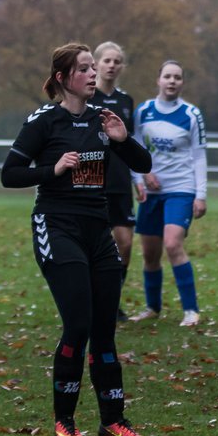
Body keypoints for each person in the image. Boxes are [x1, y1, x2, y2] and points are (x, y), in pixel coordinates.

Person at [0, 42, 152, 436]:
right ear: (65, 79)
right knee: (79, 324)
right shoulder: (43, 121)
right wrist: (53, 169)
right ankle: (64, 420)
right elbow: (9, 174)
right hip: (56, 227)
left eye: (92, 68)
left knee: (104, 329)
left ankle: (113, 421)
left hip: (97, 230)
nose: (91, 75)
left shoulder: (106, 120)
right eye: (84, 69)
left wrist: (121, 139)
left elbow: (144, 165)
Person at [129, 60, 208, 327]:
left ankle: (191, 310)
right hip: (151, 193)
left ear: (182, 82)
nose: (172, 81)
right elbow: (135, 148)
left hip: (181, 189)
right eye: (167, 76)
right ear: (158, 80)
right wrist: (141, 176)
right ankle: (152, 307)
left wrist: (201, 194)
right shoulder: (143, 111)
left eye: (177, 77)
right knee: (150, 254)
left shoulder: (191, 114)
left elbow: (199, 156)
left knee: (173, 244)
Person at [90, 41, 136, 322]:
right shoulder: (85, 97)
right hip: (93, 182)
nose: (112, 65)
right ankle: (93, 301)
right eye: (107, 60)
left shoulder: (126, 101)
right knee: (95, 246)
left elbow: (131, 144)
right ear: (96, 63)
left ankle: (112, 301)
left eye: (117, 61)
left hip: (120, 183)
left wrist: (139, 178)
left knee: (125, 244)